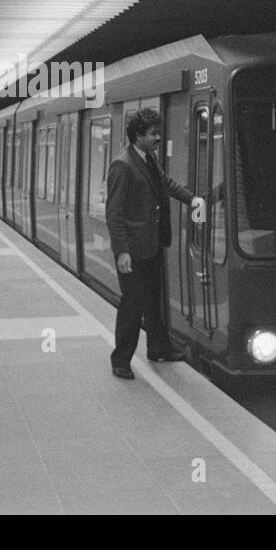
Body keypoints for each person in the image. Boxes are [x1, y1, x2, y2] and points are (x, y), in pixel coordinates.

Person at [106, 108, 205, 380]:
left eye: (159, 133)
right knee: (132, 304)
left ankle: (158, 348)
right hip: (134, 250)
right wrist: (122, 251)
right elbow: (114, 214)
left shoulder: (147, 158)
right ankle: (121, 360)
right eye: (153, 134)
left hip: (151, 244)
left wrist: (193, 200)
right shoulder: (122, 165)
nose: (158, 138)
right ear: (138, 135)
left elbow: (167, 184)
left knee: (152, 300)